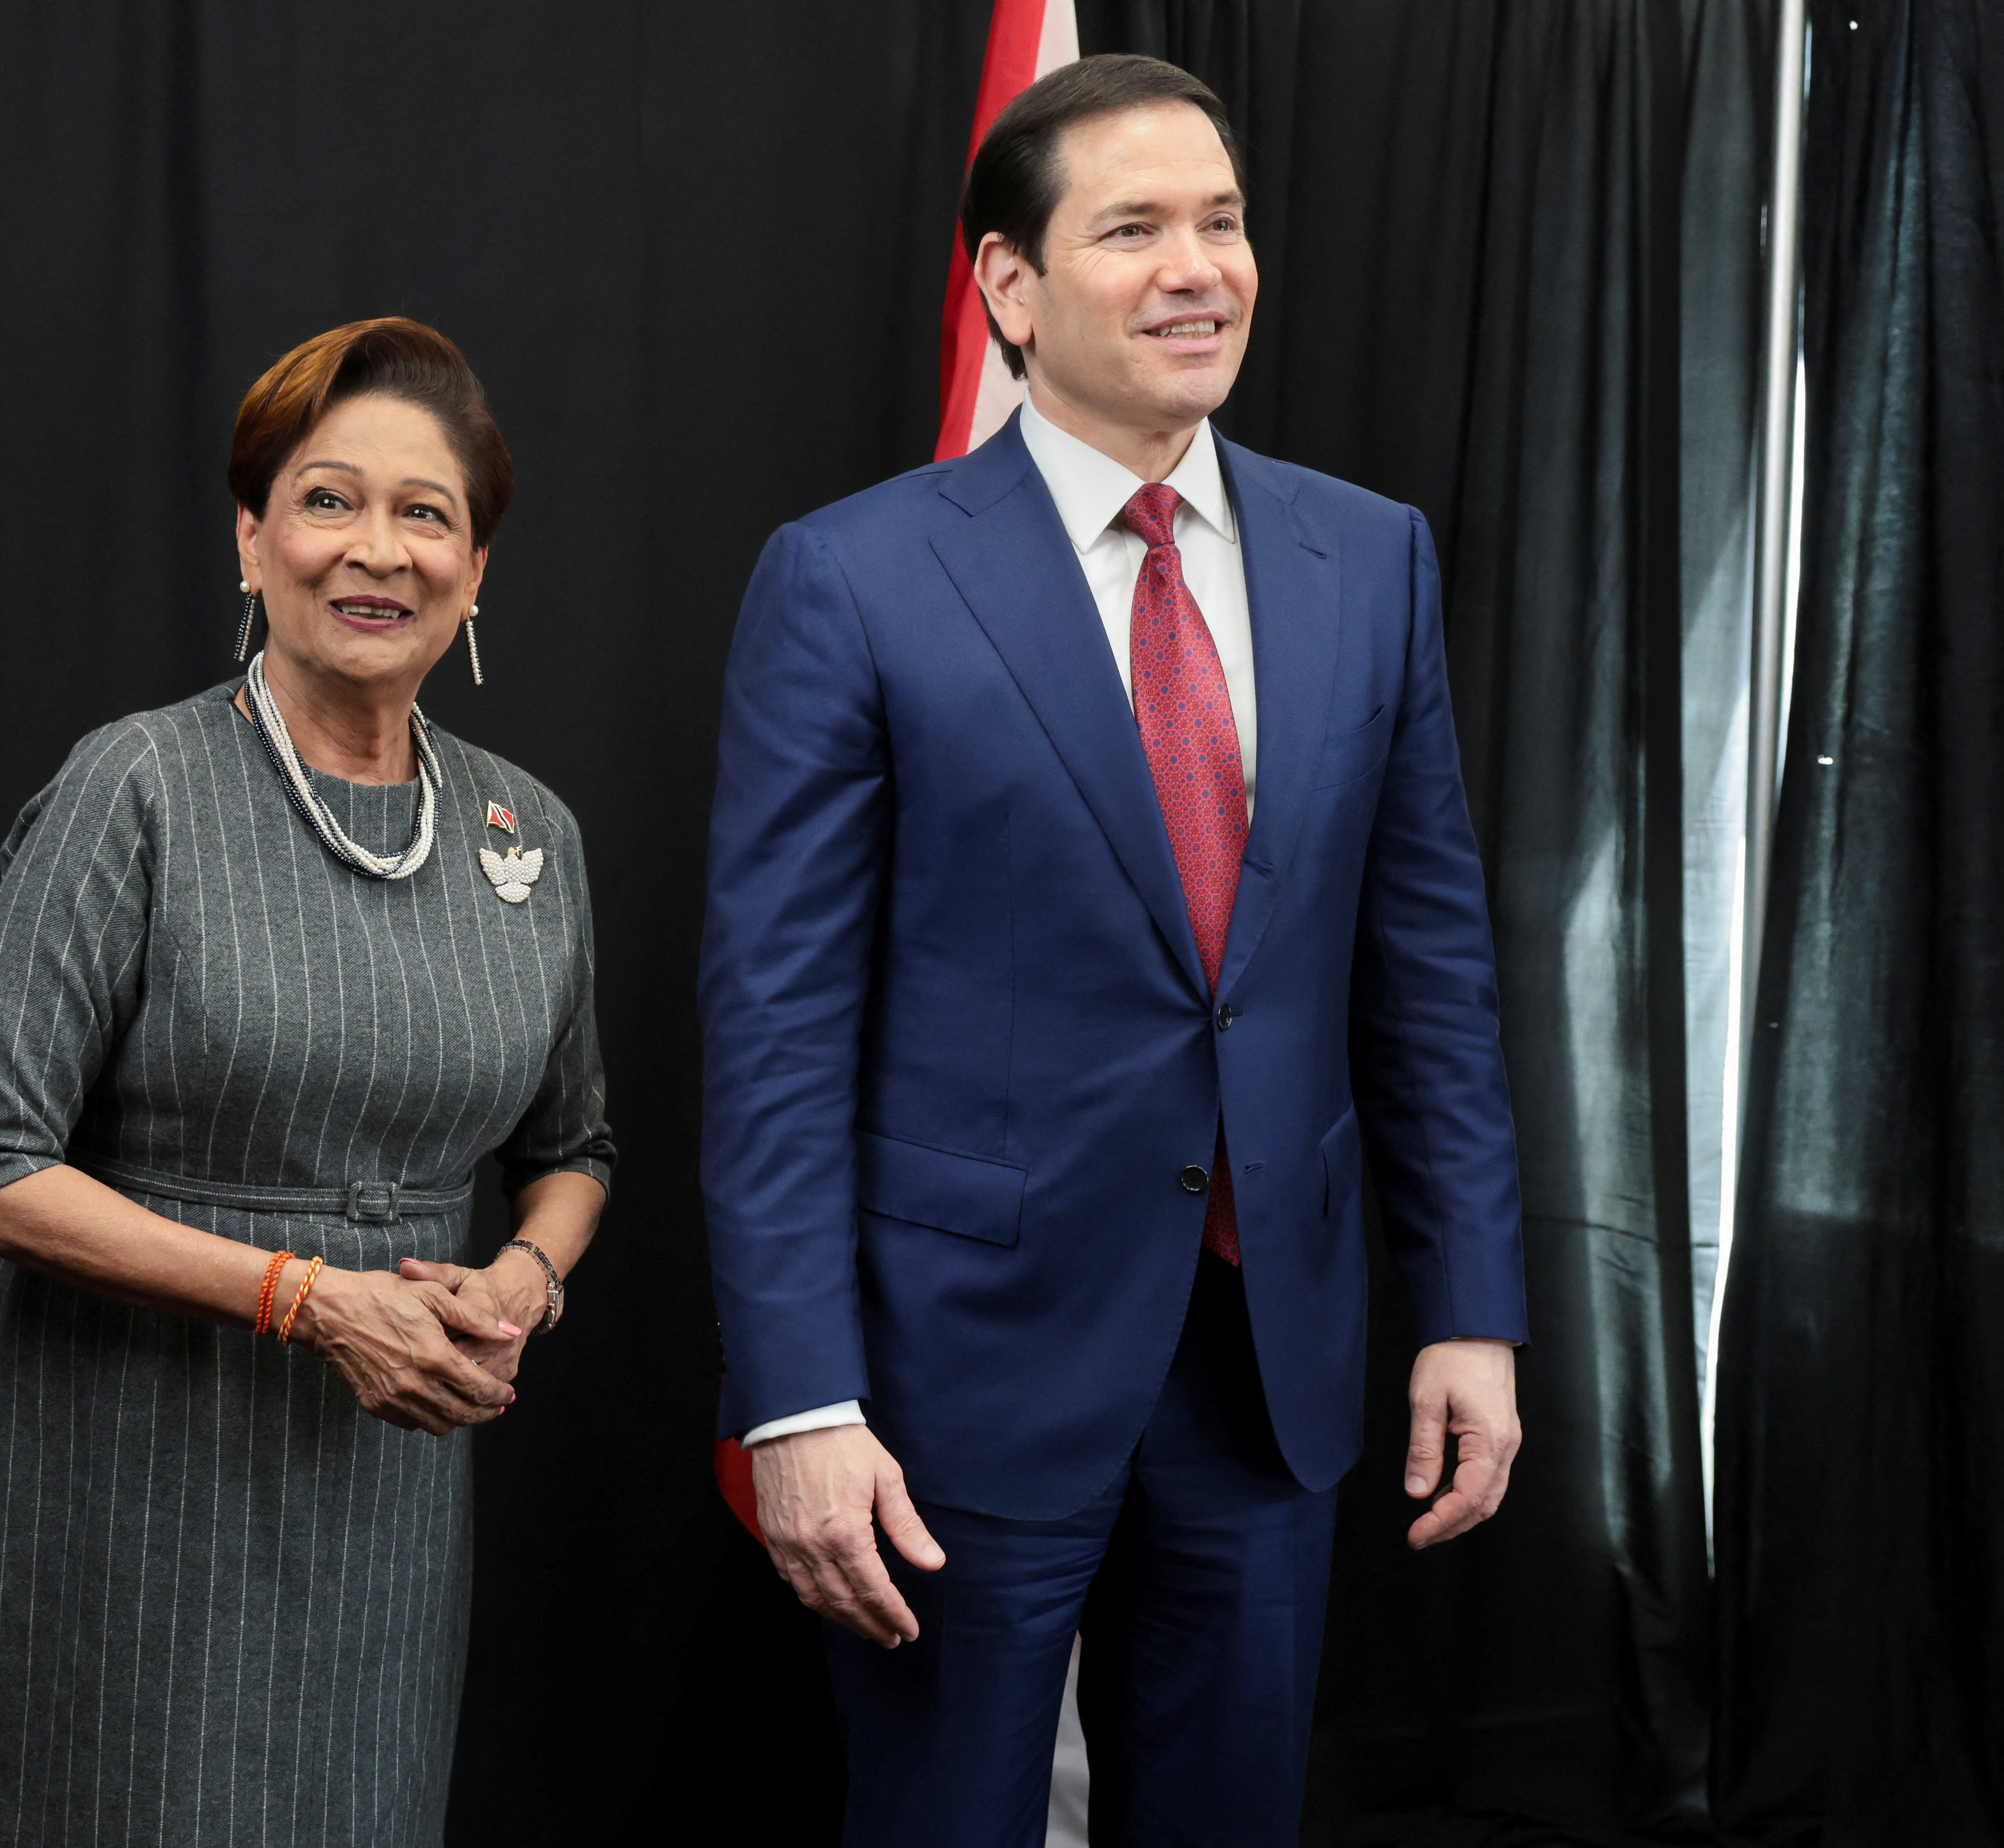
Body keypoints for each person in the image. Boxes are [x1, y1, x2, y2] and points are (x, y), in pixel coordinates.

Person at [699, 55, 1526, 1846]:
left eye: (1220, 222)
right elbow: (773, 1029)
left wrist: (1466, 1303)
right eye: (1134, 227)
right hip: (950, 1382)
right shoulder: (850, 579)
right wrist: (797, 1401)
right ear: (1008, 287)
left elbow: (1429, 972)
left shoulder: (1367, 560)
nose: (1197, 267)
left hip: (1266, 1365)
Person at [0, 317, 612, 1847]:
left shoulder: (527, 832)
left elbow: (577, 1145)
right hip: (132, 1500)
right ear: (251, 538)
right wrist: (306, 1297)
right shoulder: (136, 786)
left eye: (426, 513)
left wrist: (524, 1279)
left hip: (384, 1505)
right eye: (326, 499)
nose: (378, 550)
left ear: (477, 567)